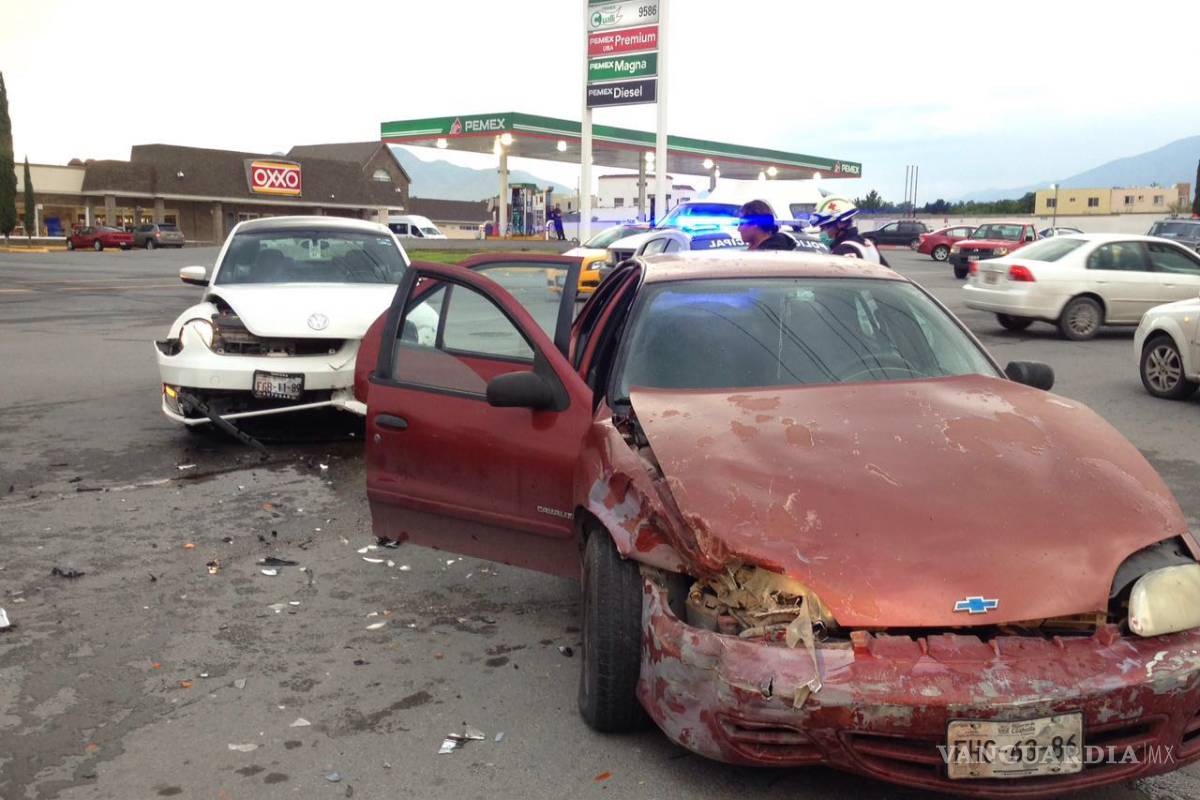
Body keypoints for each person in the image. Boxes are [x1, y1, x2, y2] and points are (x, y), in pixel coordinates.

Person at [808, 196, 889, 266]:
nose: (822, 231)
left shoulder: (842, 250)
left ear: (841, 224)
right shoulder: (867, 244)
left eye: (823, 227)